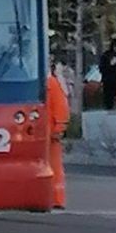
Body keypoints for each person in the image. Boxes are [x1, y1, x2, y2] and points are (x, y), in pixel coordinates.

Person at [45, 66, 71, 210]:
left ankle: (56, 199)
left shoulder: (52, 84)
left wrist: (59, 128)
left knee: (54, 167)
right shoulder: (48, 84)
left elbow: (61, 107)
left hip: (49, 134)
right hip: (42, 132)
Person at [98, 37, 116, 109]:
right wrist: (111, 65)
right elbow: (102, 68)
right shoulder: (106, 55)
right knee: (108, 97)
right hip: (108, 80)